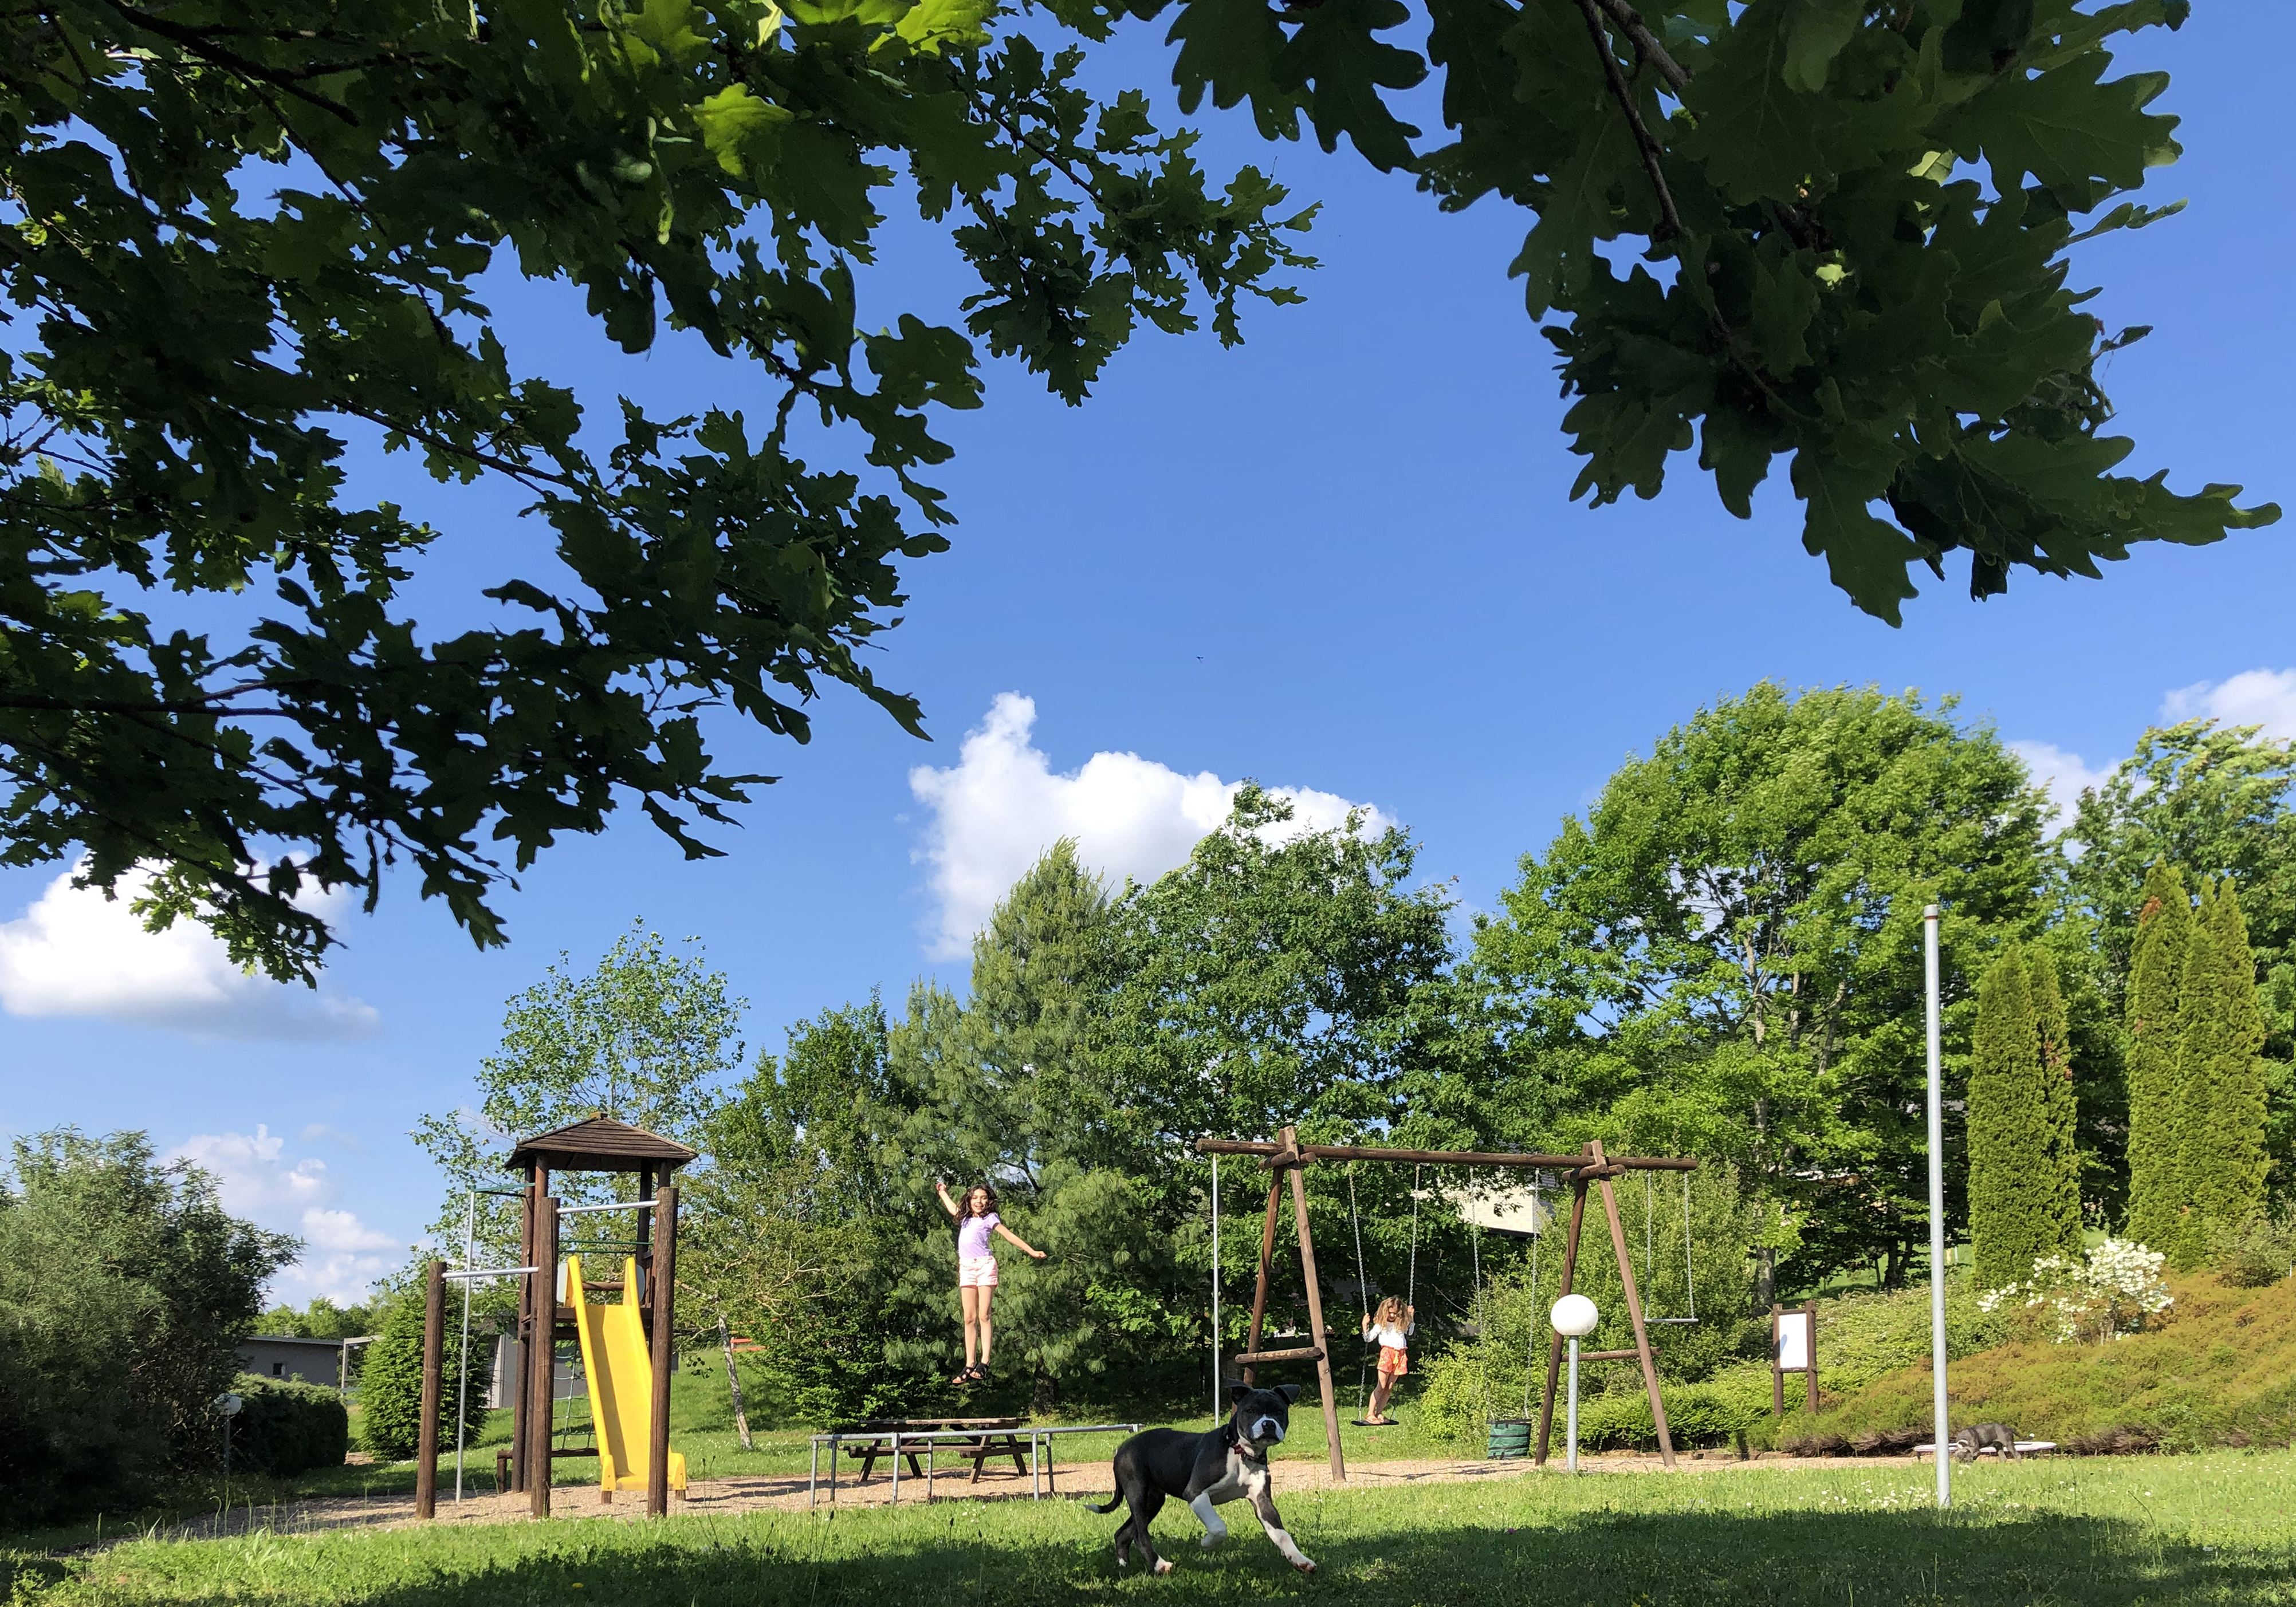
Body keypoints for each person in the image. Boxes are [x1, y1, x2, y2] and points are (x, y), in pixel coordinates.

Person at [933, 1179, 1046, 1383]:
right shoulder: (964, 1217)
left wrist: (1031, 1251)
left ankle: (984, 1361)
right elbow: (951, 1207)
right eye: (975, 1198)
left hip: (985, 1265)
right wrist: (942, 1191)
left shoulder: (990, 1218)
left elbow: (1009, 1235)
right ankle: (969, 1363)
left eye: (983, 1198)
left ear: (989, 1201)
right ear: (969, 1200)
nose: (979, 1201)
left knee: (984, 1315)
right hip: (966, 1266)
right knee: (969, 1317)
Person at [1360, 1295, 1414, 1424]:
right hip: (1387, 1354)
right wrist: (1364, 1325)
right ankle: (1370, 1414)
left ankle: (1379, 1413)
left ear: (1399, 1312)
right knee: (1382, 1385)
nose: (1392, 1316)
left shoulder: (1401, 1323)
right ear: (1385, 1311)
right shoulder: (1381, 1324)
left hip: (1400, 1354)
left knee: (1389, 1387)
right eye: (1390, 1313)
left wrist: (1411, 1317)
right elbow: (1368, 1339)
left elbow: (1410, 1333)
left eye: (1395, 1313)